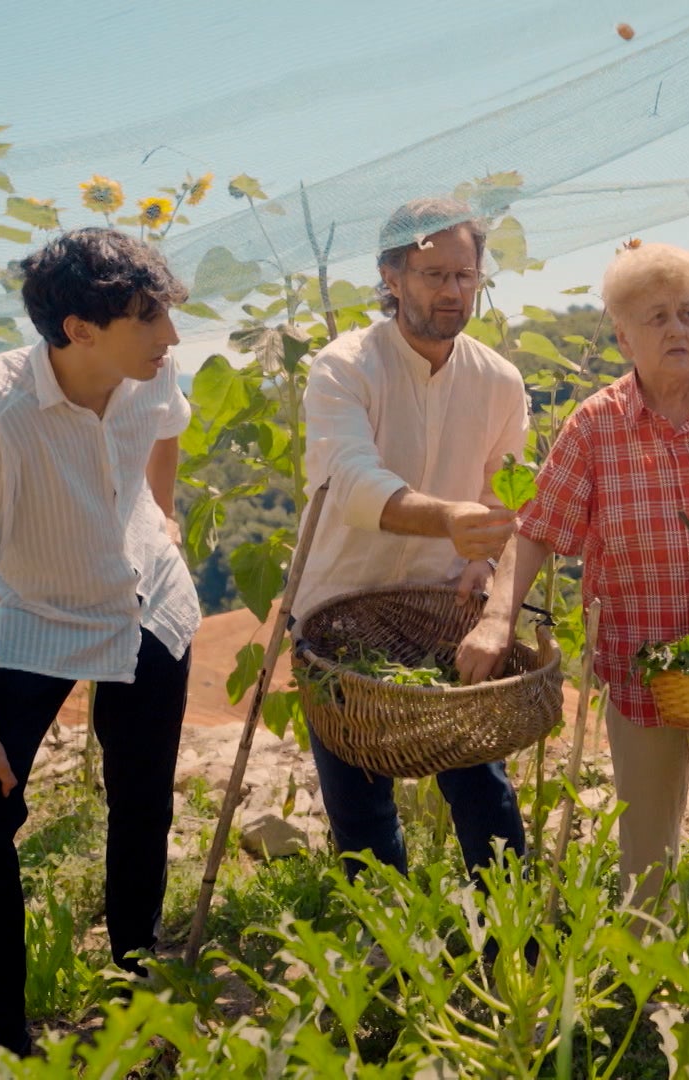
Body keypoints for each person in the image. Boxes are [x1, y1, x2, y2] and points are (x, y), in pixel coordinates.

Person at [458, 241, 689, 913]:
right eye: (657, 318)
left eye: (688, 313)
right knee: (644, 847)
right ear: (624, 337)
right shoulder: (596, 425)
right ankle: (647, 987)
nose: (678, 329)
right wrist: (497, 617)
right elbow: (537, 529)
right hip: (637, 660)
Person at [0, 228, 200, 1054]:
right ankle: (1, 1041)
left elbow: (167, 428)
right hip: (30, 612)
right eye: (148, 319)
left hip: (146, 599)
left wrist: (164, 513)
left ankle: (135, 988)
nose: (172, 338)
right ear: (78, 329)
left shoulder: (151, 369)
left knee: (142, 797)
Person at [296, 196, 529, 880]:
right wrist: (450, 519)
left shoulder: (497, 380)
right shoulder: (345, 367)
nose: (453, 291)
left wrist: (482, 565)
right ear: (390, 277)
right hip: (338, 612)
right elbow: (351, 479)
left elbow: (505, 498)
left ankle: (512, 942)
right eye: (433, 275)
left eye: (465, 274)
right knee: (362, 812)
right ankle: (382, 956)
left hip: (440, 613)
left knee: (482, 787)